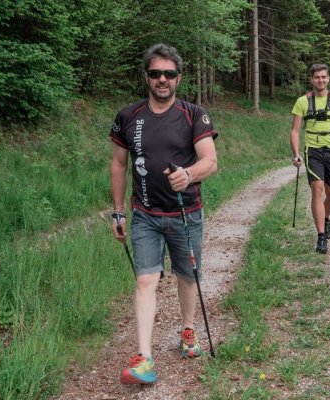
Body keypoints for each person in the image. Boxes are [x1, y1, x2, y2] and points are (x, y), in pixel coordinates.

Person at [109, 44, 218, 384]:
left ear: (178, 79)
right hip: (144, 214)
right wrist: (117, 212)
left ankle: (188, 330)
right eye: (155, 73)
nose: (162, 79)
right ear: (147, 77)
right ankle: (144, 357)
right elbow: (118, 163)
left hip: (186, 213)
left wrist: (188, 175)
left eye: (168, 74)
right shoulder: (129, 116)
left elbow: (210, 160)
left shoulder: (193, 114)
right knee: (145, 280)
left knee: (187, 276)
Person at [289, 64, 330, 254]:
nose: (320, 80)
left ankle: (325, 217)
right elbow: (295, 131)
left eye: (323, 77)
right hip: (312, 150)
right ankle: (321, 237)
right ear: (312, 79)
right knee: (317, 189)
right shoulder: (303, 102)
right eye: (317, 77)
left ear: (329, 79)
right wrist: (296, 153)